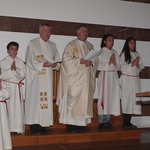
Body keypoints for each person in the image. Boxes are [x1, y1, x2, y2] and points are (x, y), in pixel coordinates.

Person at [56, 24, 97, 133]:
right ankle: (70, 125)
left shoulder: (90, 46)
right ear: (78, 33)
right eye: (83, 31)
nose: (85, 33)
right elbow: (66, 60)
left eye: (87, 31)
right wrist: (80, 61)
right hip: (74, 80)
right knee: (73, 100)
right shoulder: (71, 45)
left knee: (84, 101)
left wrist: (91, 63)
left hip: (86, 80)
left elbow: (95, 60)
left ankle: (81, 125)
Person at [25, 23, 61, 134]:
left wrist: (55, 65)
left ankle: (43, 124)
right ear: (40, 31)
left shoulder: (53, 45)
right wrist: (43, 65)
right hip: (36, 79)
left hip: (48, 78)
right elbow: (30, 60)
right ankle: (34, 125)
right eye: (45, 30)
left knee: (46, 101)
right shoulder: (33, 43)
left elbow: (57, 61)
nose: (47, 33)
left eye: (49, 31)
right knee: (35, 101)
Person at [0, 41, 26, 134]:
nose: (14, 51)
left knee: (17, 109)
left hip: (17, 88)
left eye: (16, 49)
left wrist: (16, 69)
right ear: (7, 50)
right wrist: (11, 70)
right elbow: (1, 75)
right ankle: (8, 128)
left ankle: (17, 128)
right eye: (12, 49)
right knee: (9, 108)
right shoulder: (3, 62)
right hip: (8, 87)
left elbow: (23, 74)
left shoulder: (20, 62)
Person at [119, 37, 144, 129]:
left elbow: (141, 66)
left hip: (135, 79)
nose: (133, 45)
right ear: (127, 44)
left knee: (133, 100)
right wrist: (132, 64)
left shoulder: (137, 54)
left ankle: (129, 121)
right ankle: (125, 122)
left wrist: (138, 65)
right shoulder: (123, 54)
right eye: (131, 43)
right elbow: (121, 67)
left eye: (134, 43)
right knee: (127, 100)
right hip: (127, 79)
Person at [97, 34, 120, 129]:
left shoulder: (115, 52)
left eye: (113, 40)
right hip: (105, 76)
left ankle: (107, 120)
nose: (112, 42)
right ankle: (101, 121)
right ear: (104, 41)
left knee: (111, 98)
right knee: (104, 98)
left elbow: (119, 66)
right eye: (110, 40)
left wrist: (114, 64)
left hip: (113, 76)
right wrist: (109, 63)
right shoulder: (101, 52)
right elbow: (98, 66)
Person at [0, 72, 12, 150]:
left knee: (3, 126)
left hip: (2, 108)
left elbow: (8, 94)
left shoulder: (3, 83)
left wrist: (1, 89)